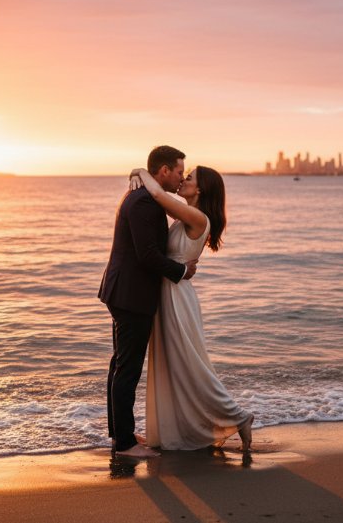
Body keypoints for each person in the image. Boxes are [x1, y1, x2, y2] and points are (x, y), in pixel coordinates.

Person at [130, 165, 254, 451]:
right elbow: (161, 198)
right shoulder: (185, 216)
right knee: (174, 366)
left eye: (189, 177)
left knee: (190, 365)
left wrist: (139, 170)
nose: (183, 180)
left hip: (176, 297)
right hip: (169, 293)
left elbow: (159, 196)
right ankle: (173, 431)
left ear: (200, 189)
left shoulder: (198, 217)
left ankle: (239, 417)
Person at [99, 146, 198, 458]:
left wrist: (138, 171)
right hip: (131, 294)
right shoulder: (144, 201)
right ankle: (124, 444)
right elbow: (148, 255)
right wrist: (182, 271)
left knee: (120, 365)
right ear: (164, 171)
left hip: (125, 291)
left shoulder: (147, 196)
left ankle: (121, 434)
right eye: (180, 171)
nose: (182, 177)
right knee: (127, 368)